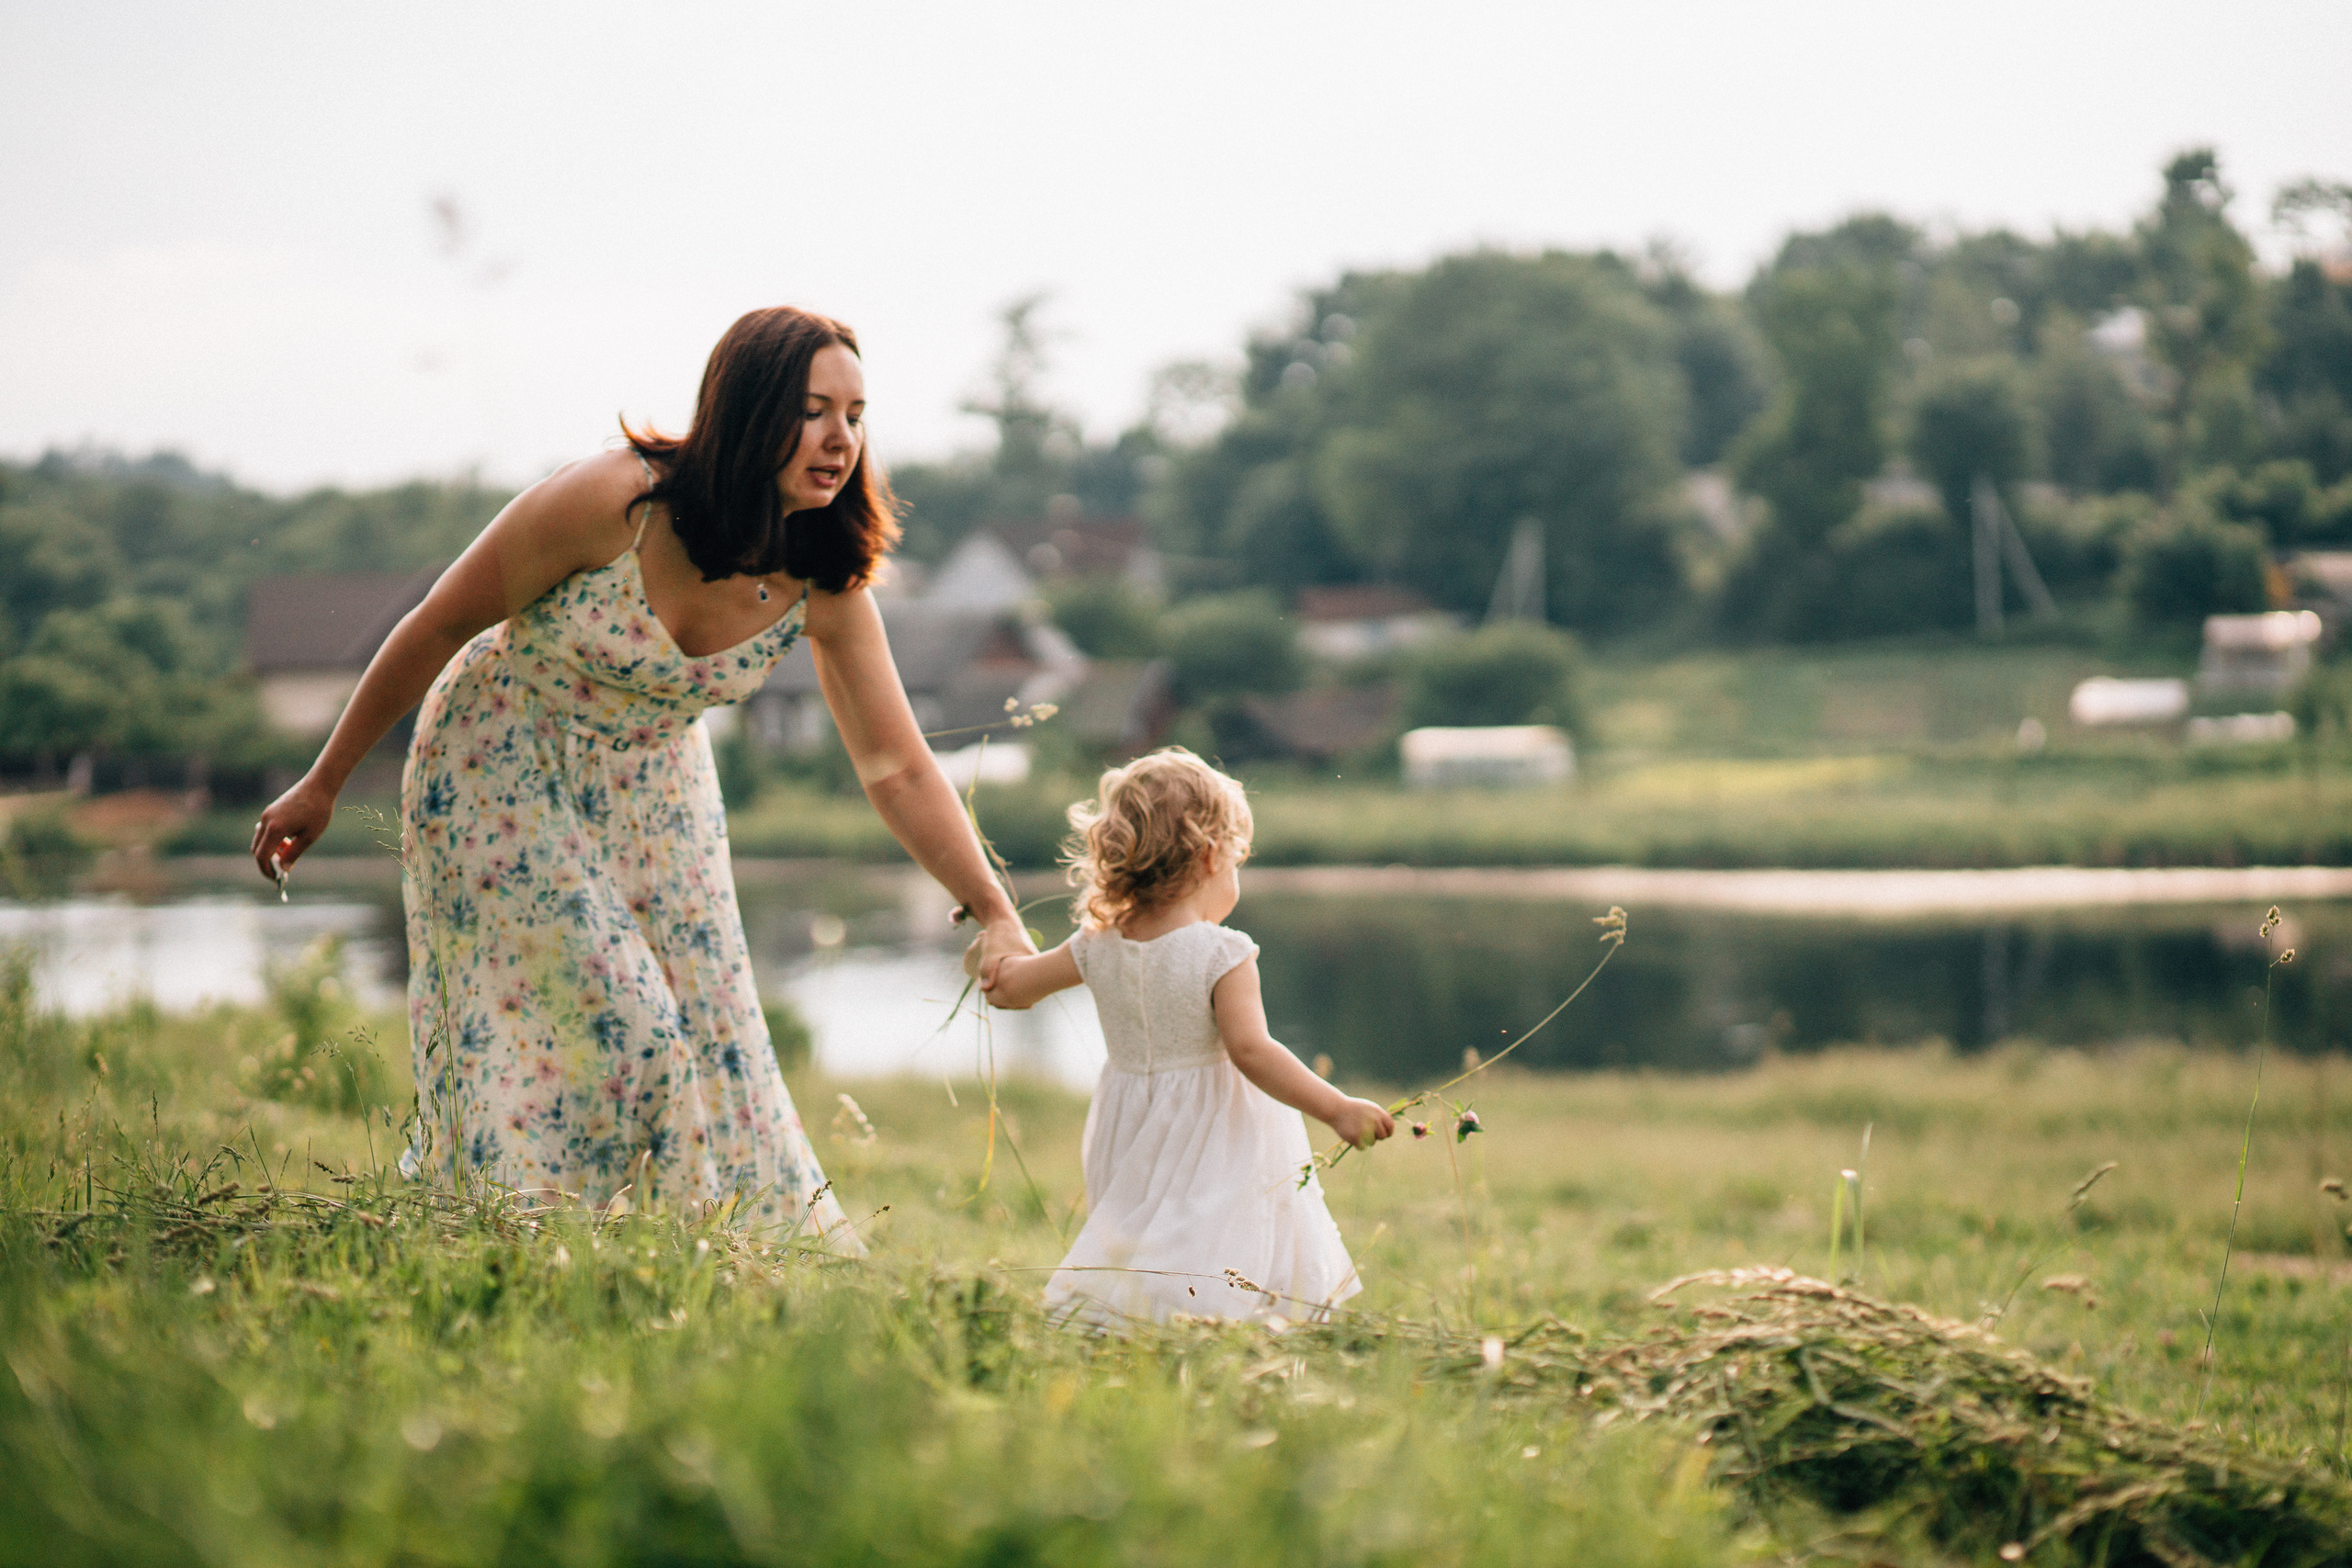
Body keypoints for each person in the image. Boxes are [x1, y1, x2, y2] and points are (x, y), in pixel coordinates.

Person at [250, 306, 1035, 1242]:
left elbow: (898, 767)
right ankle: (522, 1231)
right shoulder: (615, 502)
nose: (840, 439)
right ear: (746, 412)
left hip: (658, 794)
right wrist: (325, 781)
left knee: (715, 1042)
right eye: (814, 410)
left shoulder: (822, 576)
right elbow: (438, 622)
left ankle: (691, 1254)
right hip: (502, 758)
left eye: (857, 415)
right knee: (631, 1022)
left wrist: (990, 903)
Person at [983, 748, 1394, 1325]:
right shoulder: (1221, 952)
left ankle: (1139, 1327)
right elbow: (1251, 1050)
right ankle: (1214, 1327)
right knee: (1215, 1230)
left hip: (1129, 1120)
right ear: (1208, 857)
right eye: (1236, 862)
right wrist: (1337, 1108)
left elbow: (1010, 989)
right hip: (1215, 1125)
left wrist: (997, 938)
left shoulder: (1095, 945)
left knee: (1142, 1232)